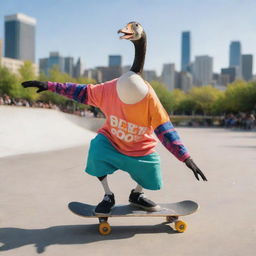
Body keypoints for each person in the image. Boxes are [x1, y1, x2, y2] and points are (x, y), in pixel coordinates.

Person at [21, 76, 207, 215]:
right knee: (96, 150)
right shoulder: (109, 89)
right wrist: (49, 86)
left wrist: (186, 157)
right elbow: (80, 91)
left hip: (141, 149)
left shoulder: (151, 101)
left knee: (153, 173)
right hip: (111, 141)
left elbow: (166, 132)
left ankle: (136, 195)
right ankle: (108, 195)